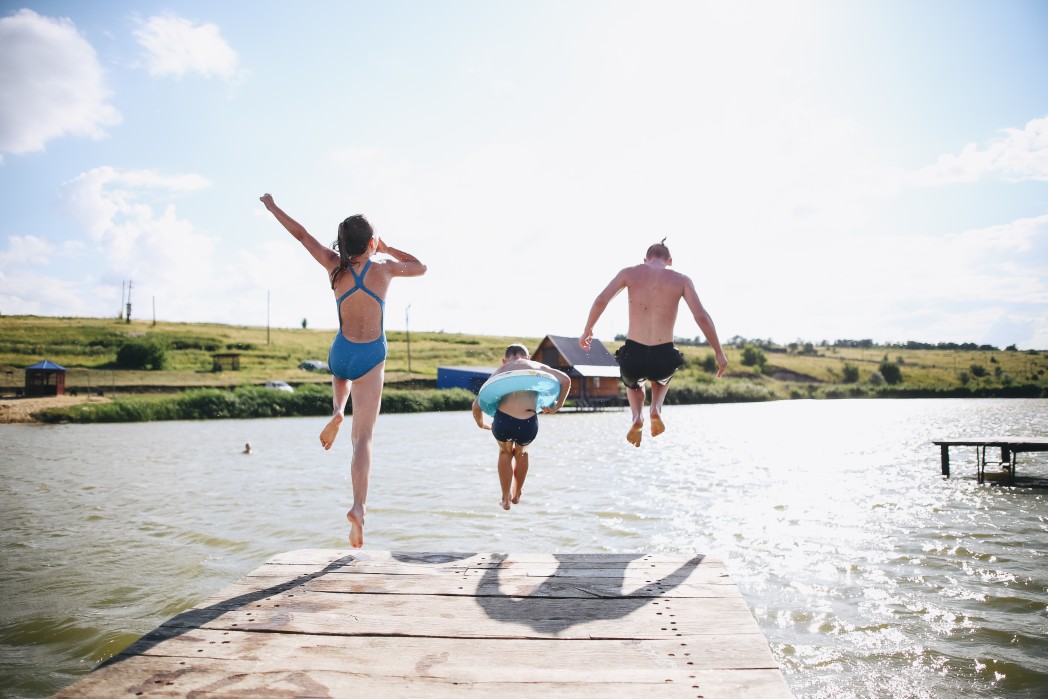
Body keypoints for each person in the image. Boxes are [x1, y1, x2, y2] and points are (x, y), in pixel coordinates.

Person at [260, 193, 426, 548]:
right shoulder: (384, 267)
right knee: (362, 439)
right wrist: (390, 248)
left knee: (340, 373)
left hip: (342, 352)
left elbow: (302, 235)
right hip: (372, 356)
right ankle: (358, 508)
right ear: (372, 242)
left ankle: (337, 409)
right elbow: (421, 266)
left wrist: (273, 207)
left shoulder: (334, 265)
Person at [580, 239, 727, 447]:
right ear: (670, 261)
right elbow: (701, 316)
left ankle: (636, 417)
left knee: (634, 384)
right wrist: (718, 352)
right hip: (664, 355)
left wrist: (587, 330)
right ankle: (656, 408)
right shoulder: (682, 280)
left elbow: (600, 300)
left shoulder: (629, 273)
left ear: (645, 259)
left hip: (633, 355)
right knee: (661, 380)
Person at [472, 344, 570, 510]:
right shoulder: (536, 366)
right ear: (528, 357)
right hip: (527, 422)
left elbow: (477, 405)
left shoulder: (499, 372)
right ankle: (517, 494)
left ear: (504, 360)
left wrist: (481, 424)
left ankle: (505, 499)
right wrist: (557, 405)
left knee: (504, 452)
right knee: (521, 453)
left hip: (503, 421)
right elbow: (565, 380)